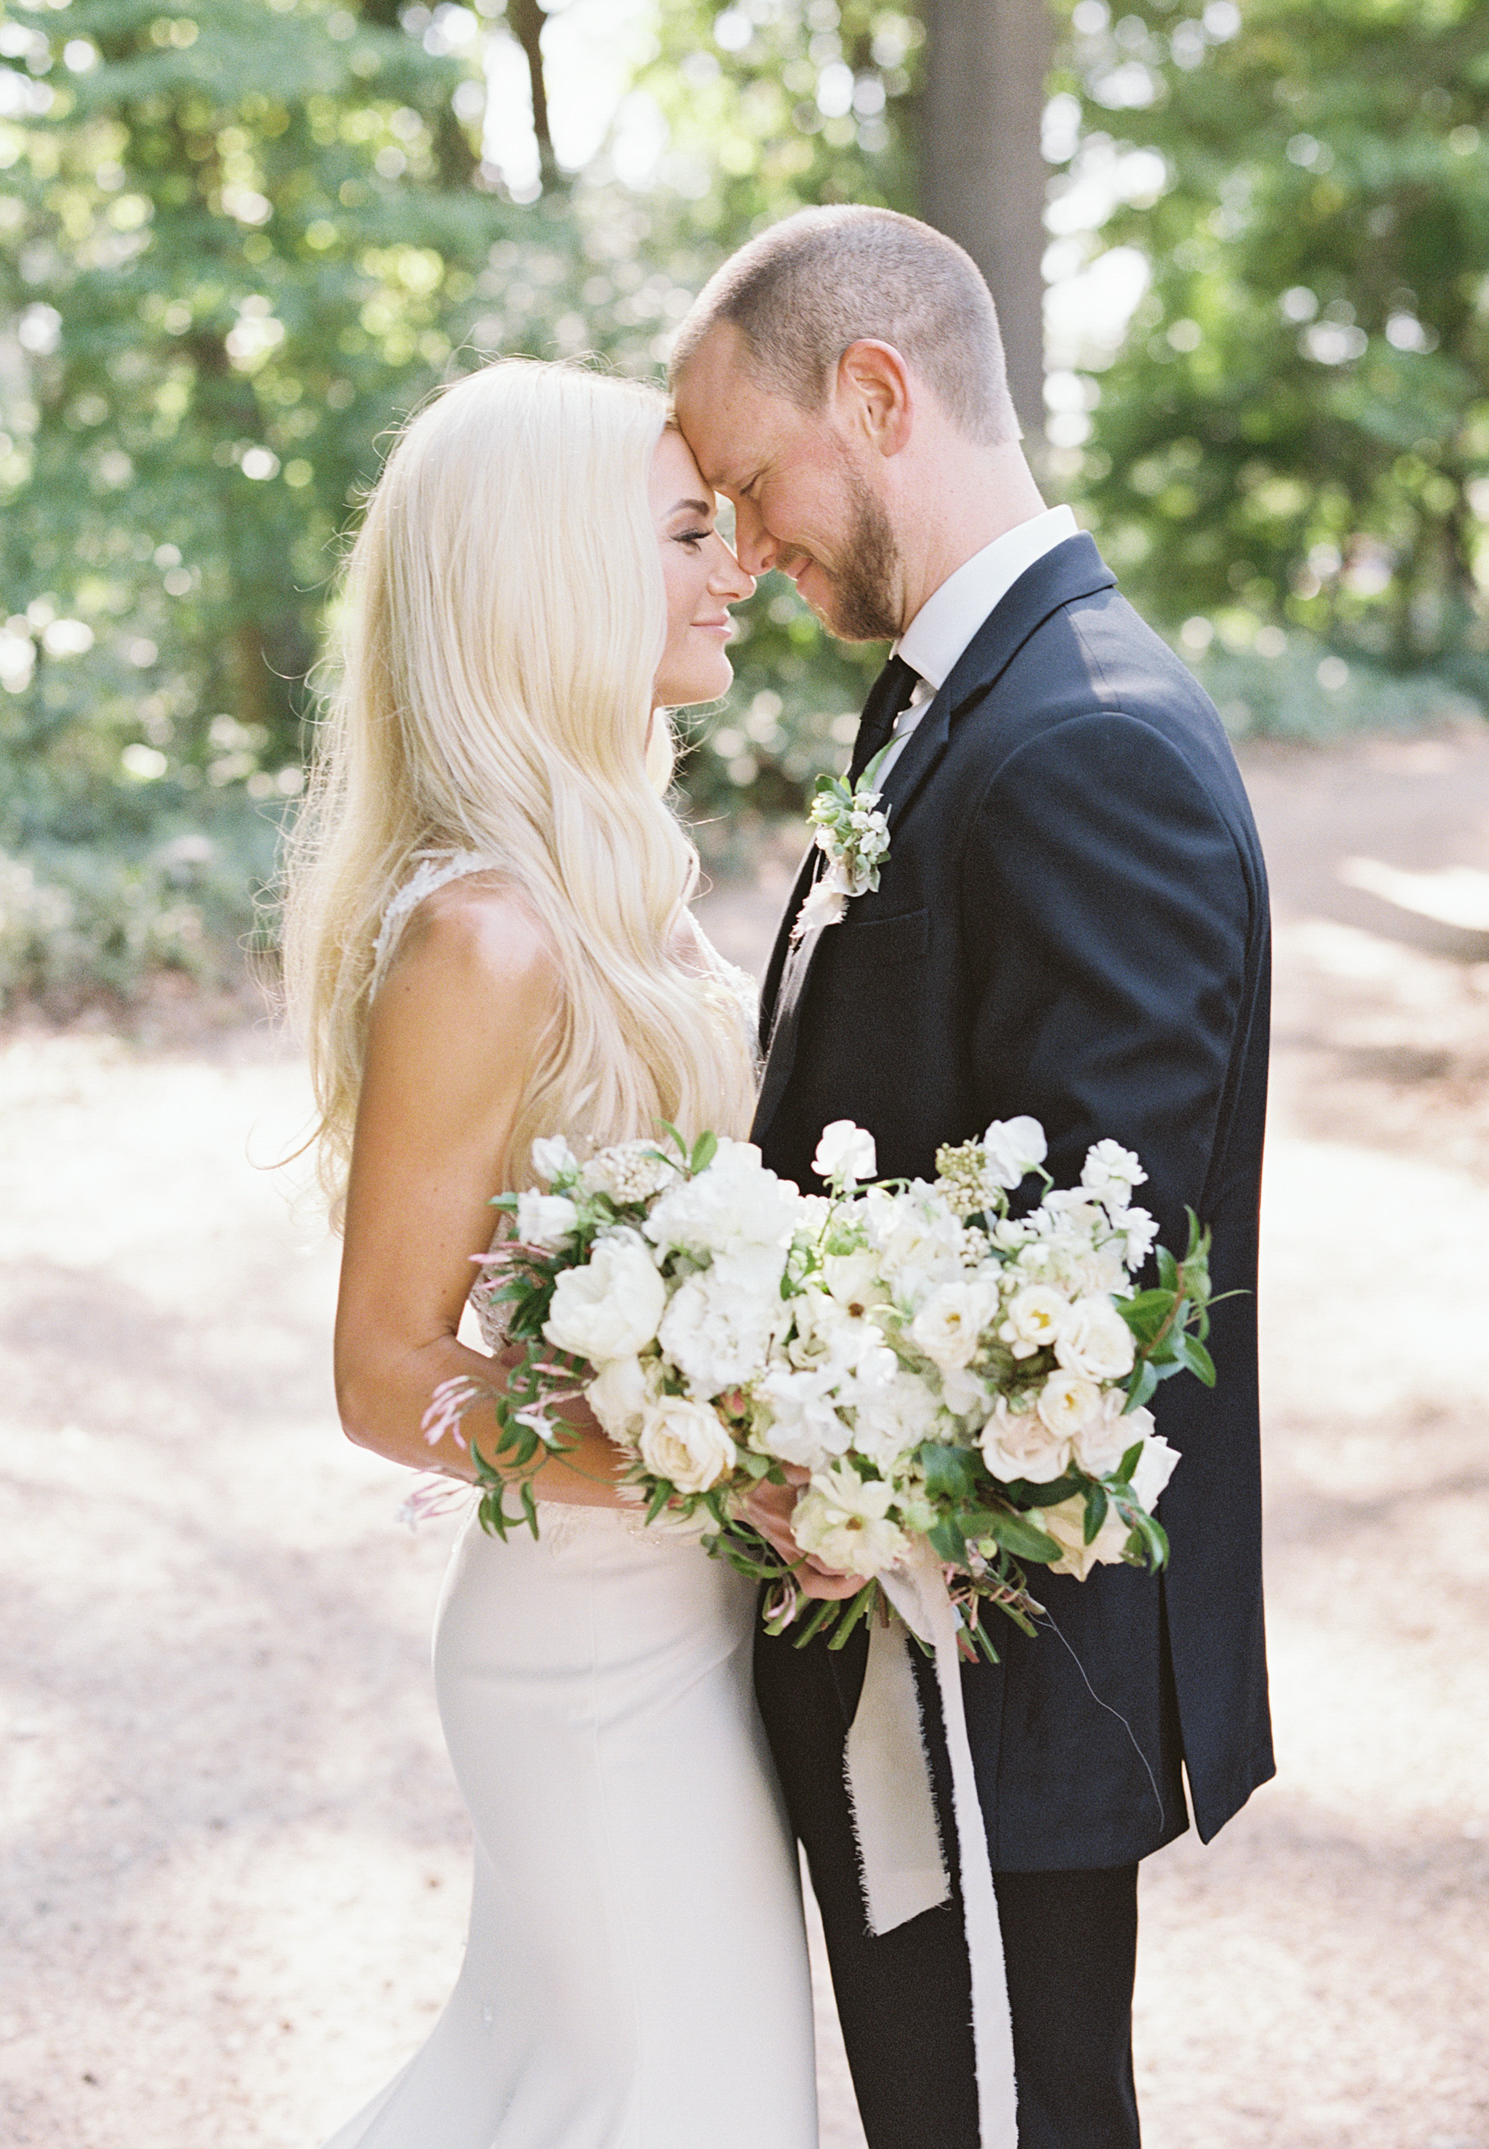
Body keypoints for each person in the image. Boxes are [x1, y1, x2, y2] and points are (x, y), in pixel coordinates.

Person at [671, 206, 1275, 2149]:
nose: (744, 547)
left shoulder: (1083, 740)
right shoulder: (968, 703)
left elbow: (1093, 1277)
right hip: (895, 1667)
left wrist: (817, 1464)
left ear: (874, 394)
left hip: (977, 1677)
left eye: (751, 483)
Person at [282, 358, 819, 2149]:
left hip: (688, 1618)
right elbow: (381, 1369)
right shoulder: (486, 935)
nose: (733, 560)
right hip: (583, 1656)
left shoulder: (623, 888)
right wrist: (717, 1470)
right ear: (553, 576)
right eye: (685, 529)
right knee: (684, 2097)